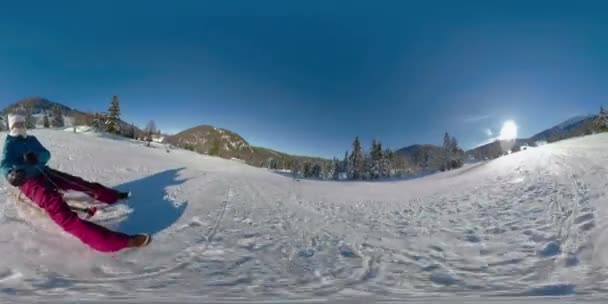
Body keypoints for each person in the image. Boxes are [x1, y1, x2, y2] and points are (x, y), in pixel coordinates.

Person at [0, 112, 151, 252]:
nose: (19, 128)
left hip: (45, 172)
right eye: (16, 125)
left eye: (21, 124)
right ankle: (119, 242)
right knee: (57, 207)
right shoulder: (10, 144)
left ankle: (112, 196)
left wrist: (37, 157)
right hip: (28, 181)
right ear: (11, 127)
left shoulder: (31, 140)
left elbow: (46, 154)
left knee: (78, 183)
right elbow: (4, 164)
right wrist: (11, 174)